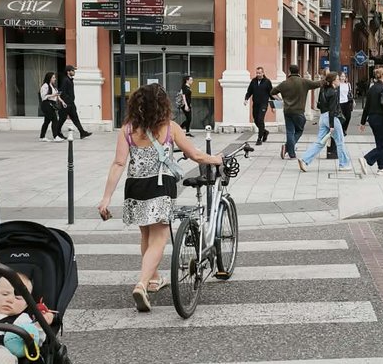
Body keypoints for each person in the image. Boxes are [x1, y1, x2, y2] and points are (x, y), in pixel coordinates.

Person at [98, 83, 222, 311]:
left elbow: (118, 163)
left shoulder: (127, 129)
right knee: (159, 238)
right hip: (160, 186)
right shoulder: (170, 127)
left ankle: (154, 278)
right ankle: (142, 284)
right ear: (162, 104)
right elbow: (194, 155)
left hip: (134, 187)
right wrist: (216, 159)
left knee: (146, 234)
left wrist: (106, 198)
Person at [299, 71, 351, 172]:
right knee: (340, 141)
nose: (339, 80)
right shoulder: (333, 92)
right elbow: (332, 110)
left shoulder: (323, 89)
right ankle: (344, 164)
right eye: (337, 79)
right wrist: (331, 125)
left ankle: (304, 159)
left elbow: (319, 105)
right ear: (333, 81)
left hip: (322, 117)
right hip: (331, 118)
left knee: (320, 142)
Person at [271, 65, 322, 160]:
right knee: (299, 130)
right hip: (299, 111)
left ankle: (291, 153)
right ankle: (287, 148)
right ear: (299, 71)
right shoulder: (304, 82)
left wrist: (280, 100)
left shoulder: (284, 83)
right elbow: (317, 84)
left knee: (290, 132)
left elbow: (272, 92)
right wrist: (326, 78)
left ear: (289, 71)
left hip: (287, 111)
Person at [360, 66, 383, 174]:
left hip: (372, 118)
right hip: (380, 117)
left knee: (380, 142)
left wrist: (363, 122)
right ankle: (366, 159)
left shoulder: (371, 89)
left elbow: (366, 107)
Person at [58, 65, 91, 139]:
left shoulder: (70, 80)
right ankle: (57, 133)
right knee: (62, 119)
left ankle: (82, 132)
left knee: (75, 118)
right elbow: (63, 92)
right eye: (72, 70)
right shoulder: (65, 80)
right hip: (66, 104)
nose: (74, 72)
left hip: (71, 104)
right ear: (68, 72)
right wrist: (67, 101)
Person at [244, 66, 274, 145]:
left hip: (263, 104)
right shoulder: (253, 81)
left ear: (263, 73)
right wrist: (246, 99)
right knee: (256, 120)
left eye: (260, 73)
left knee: (260, 120)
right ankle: (265, 132)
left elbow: (271, 94)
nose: (258, 74)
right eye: (257, 73)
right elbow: (249, 91)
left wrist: (273, 106)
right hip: (255, 104)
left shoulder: (267, 82)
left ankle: (259, 138)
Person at [38, 71, 64, 142]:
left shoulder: (53, 86)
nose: (55, 79)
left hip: (51, 104)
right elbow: (43, 97)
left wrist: (62, 102)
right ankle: (55, 136)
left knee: (46, 121)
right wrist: (53, 95)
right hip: (47, 104)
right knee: (55, 120)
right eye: (53, 77)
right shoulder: (45, 86)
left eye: (54, 77)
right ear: (49, 78)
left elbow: (57, 96)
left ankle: (42, 137)